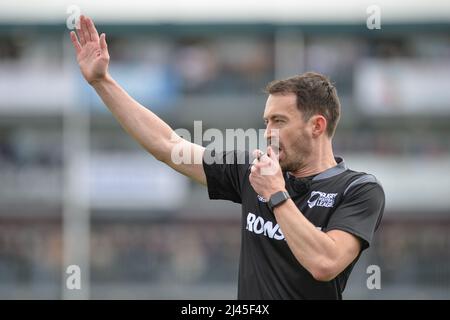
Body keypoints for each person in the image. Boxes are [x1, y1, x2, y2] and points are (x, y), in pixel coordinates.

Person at [70, 15, 385, 299]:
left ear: (317, 125)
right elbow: (167, 145)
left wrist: (276, 194)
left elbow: (325, 263)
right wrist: (102, 82)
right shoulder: (253, 171)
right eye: (266, 122)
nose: (269, 133)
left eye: (280, 121)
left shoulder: (358, 189)